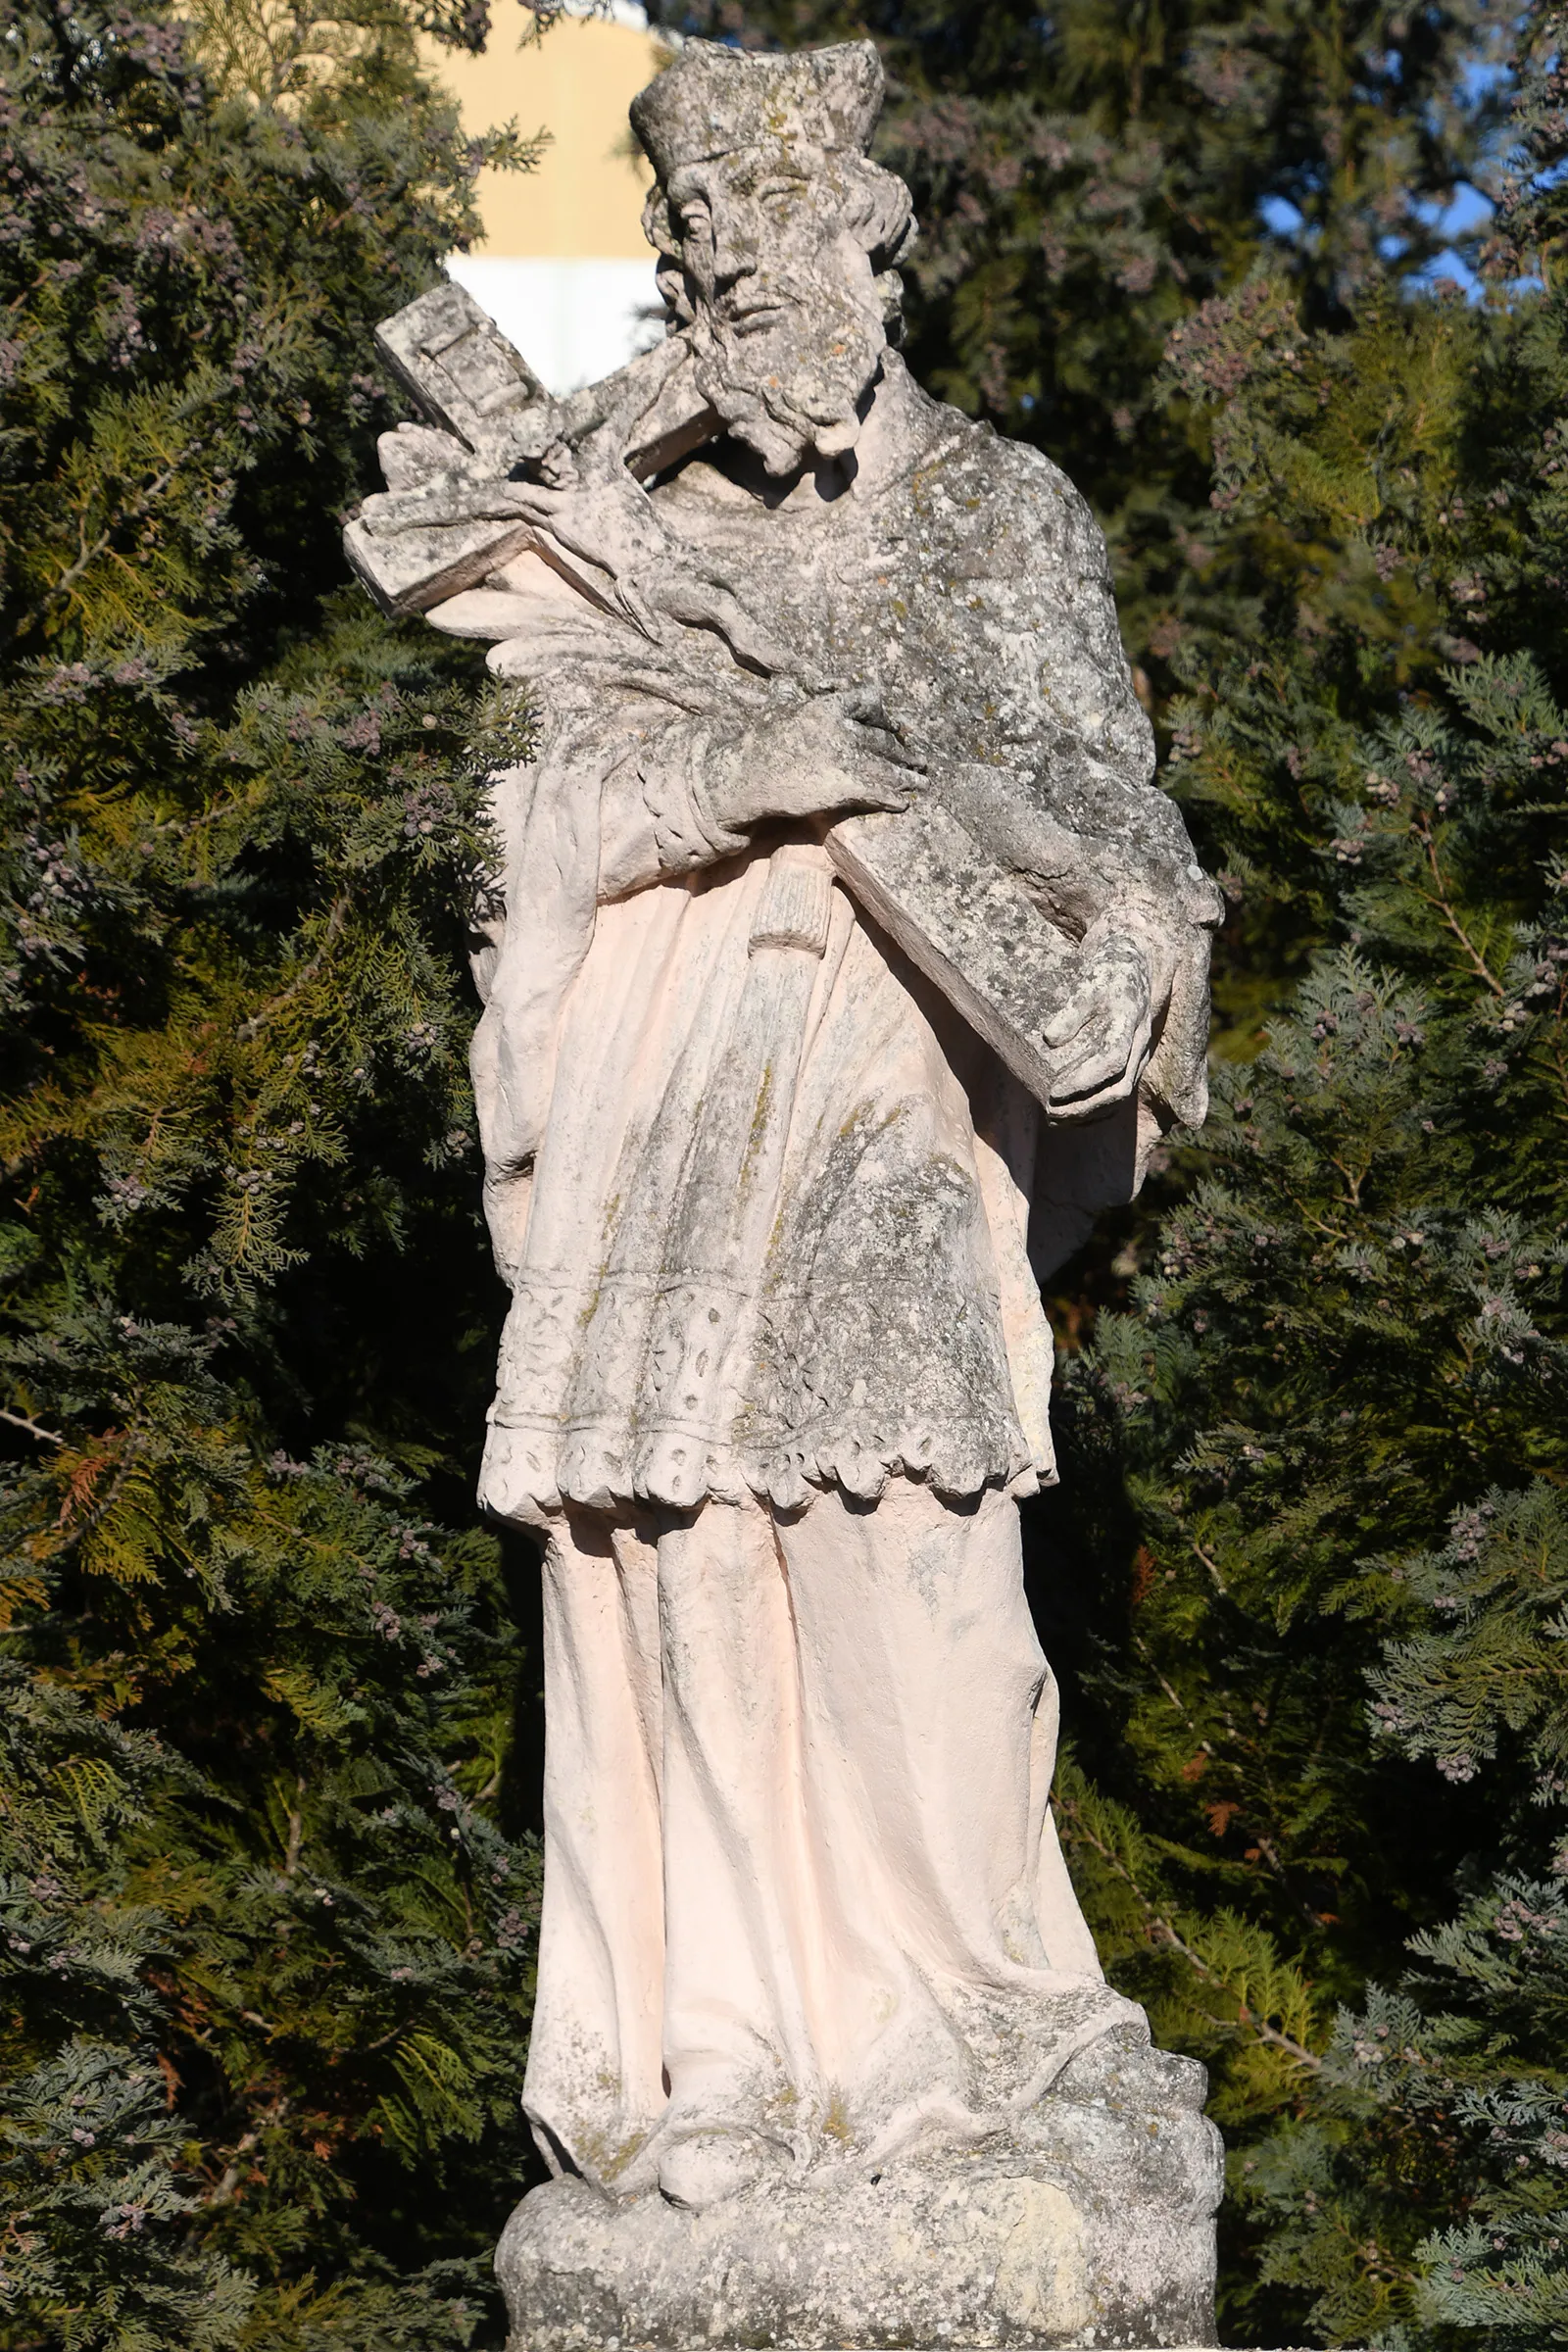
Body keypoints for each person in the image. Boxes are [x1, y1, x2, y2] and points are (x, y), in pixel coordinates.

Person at [425, 38, 1220, 2215]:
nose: (746, 295)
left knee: (915, 1540)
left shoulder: (992, 515)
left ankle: (980, 2010)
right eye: (706, 263)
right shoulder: (600, 532)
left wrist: (1099, 932)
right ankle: (730, 2059)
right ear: (673, 282)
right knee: (677, 1560)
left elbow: (1114, 826)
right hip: (663, 1099)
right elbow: (517, 847)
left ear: (874, 250)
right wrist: (725, 777)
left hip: (891, 1097)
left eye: (787, 253)